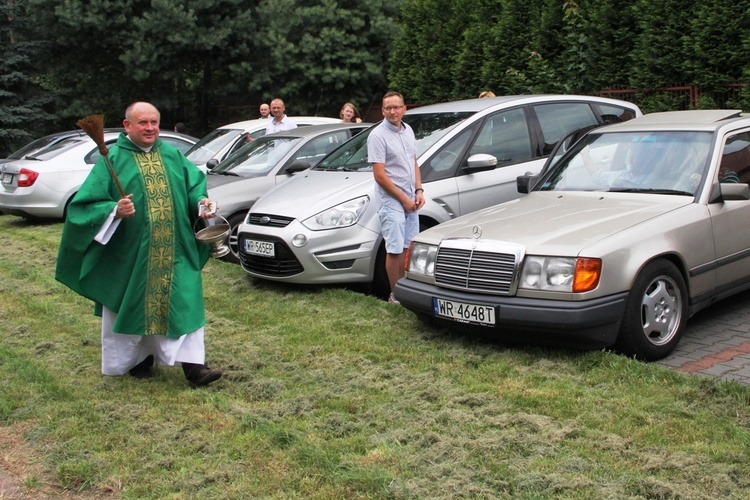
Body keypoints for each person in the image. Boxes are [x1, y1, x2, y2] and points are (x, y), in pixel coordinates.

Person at [55, 102, 223, 387]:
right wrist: (113, 210)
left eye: (154, 122)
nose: (149, 128)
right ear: (127, 125)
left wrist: (202, 204)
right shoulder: (113, 160)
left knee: (186, 300)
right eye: (143, 122)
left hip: (176, 249)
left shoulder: (171, 155)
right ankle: (139, 359)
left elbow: (195, 188)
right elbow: (83, 207)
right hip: (131, 253)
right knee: (132, 303)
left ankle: (195, 367)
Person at [367, 91, 424, 304]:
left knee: (408, 246)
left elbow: (413, 162)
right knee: (394, 248)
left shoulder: (408, 130)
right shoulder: (377, 135)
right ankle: (395, 295)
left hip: (410, 197)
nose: (393, 111)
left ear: (404, 109)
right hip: (391, 200)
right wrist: (403, 199)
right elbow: (380, 175)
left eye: (396, 107)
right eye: (388, 108)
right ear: (382, 111)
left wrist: (419, 191)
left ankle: (406, 290)